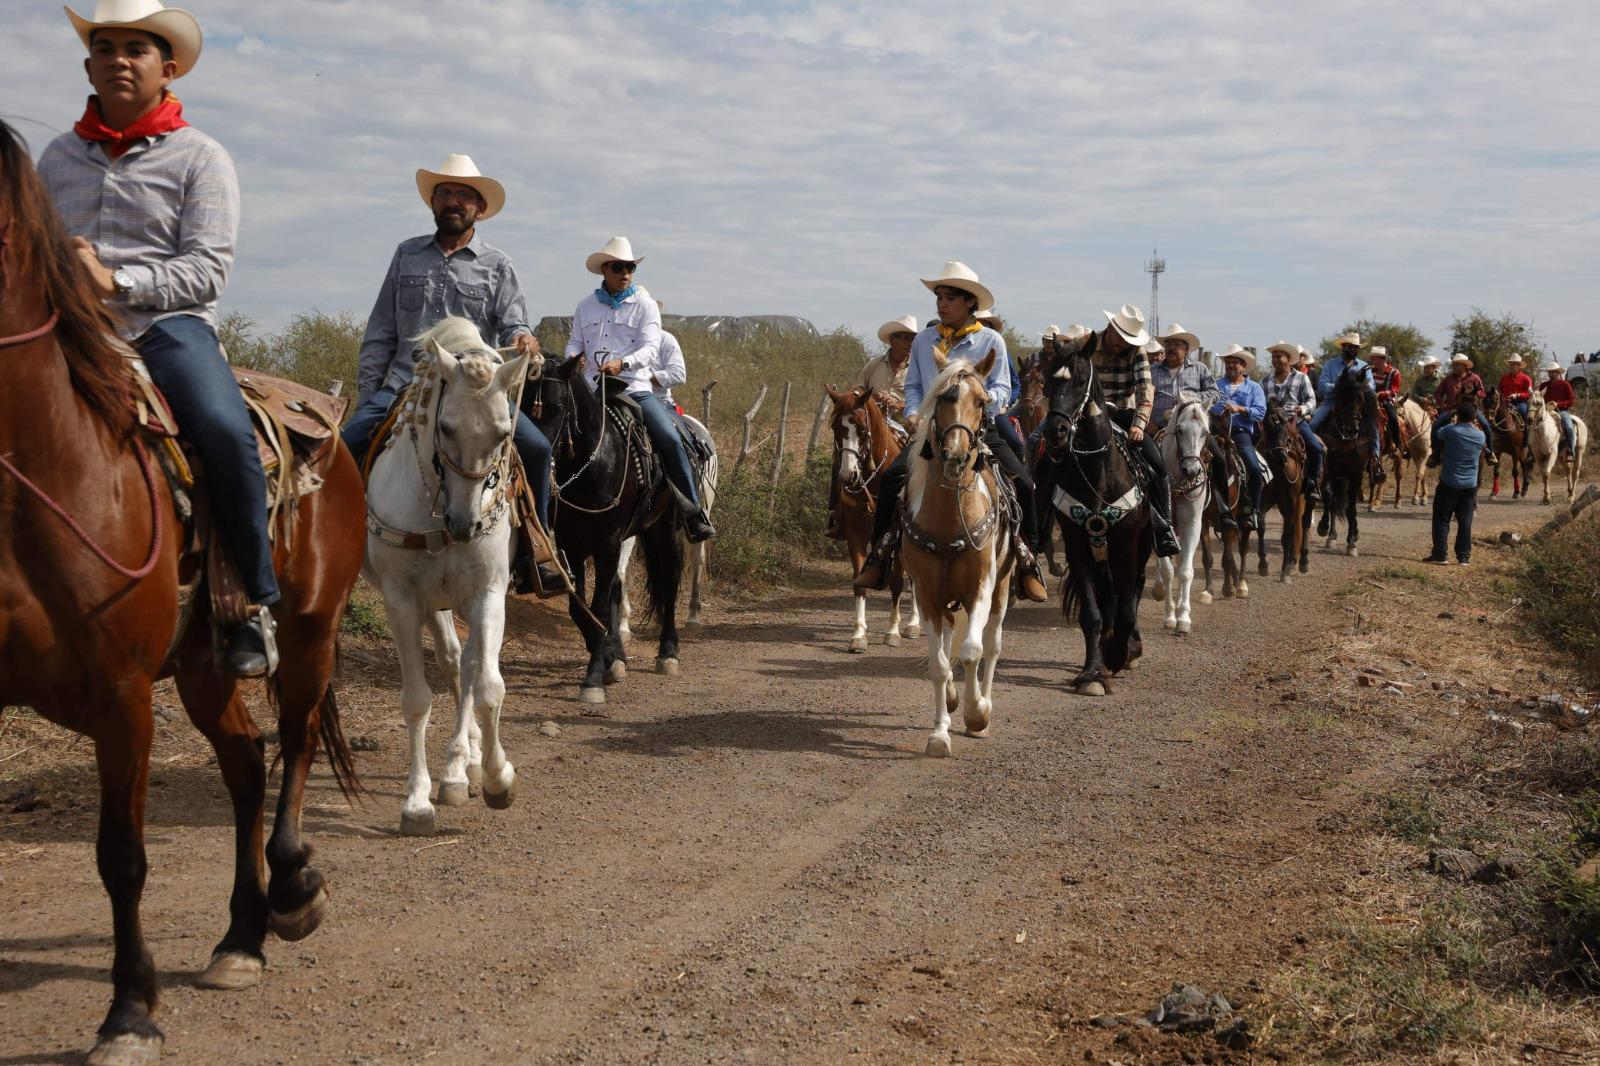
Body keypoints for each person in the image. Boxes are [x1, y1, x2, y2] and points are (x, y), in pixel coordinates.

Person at [39, 0, 277, 676]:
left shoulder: (201, 156)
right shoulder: (54, 158)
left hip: (165, 329)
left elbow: (207, 269)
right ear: (88, 63)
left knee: (225, 431)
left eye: (134, 49)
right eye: (106, 47)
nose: (118, 59)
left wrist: (114, 282)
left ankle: (254, 603)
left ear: (166, 68)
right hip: (71, 329)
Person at [342, 153, 563, 594]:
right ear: (434, 203)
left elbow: (514, 322)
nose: (454, 201)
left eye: (464, 195)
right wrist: (370, 392)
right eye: (446, 193)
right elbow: (381, 330)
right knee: (347, 445)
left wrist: (524, 339)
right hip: (407, 382)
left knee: (536, 449)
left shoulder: (498, 265)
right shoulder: (406, 254)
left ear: (479, 210)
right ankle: (342, 550)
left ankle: (537, 549)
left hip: (474, 391)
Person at [854, 261, 1049, 600]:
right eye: (939, 298)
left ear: (969, 302)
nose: (942, 304)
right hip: (930, 431)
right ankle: (880, 555)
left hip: (977, 428)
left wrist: (979, 404)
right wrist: (913, 412)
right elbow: (914, 386)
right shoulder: (925, 340)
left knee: (1025, 484)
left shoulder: (990, 341)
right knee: (891, 481)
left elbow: (1002, 388)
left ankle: (1027, 559)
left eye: (950, 298)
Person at [566, 236, 715, 542]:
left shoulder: (645, 306)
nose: (626, 273)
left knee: (670, 438)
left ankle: (692, 512)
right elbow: (575, 342)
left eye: (630, 267)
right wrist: (573, 359)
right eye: (619, 267)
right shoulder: (585, 306)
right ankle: (549, 516)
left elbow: (649, 348)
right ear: (604, 270)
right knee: (554, 433)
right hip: (590, 390)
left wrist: (624, 363)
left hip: (633, 388)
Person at [1088, 304, 1181, 557]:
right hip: (1086, 415)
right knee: (1048, 454)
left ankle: (1163, 528)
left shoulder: (1136, 351)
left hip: (1121, 414)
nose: (1122, 344)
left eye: (1127, 339)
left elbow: (1145, 389)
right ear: (1110, 328)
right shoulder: (1087, 344)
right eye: (1120, 337)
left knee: (1158, 467)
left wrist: (1139, 424)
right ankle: (1038, 530)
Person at [1309, 332, 1384, 483]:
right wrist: (1340, 387)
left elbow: (1370, 386)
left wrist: (1354, 389)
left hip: (1356, 405)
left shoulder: (1364, 366)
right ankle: (1309, 461)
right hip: (1333, 402)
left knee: (1374, 428)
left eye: (1356, 347)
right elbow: (1322, 386)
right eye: (1350, 347)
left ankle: (1375, 464)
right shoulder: (1330, 365)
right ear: (1343, 347)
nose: (1353, 350)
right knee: (1313, 424)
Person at [1211, 346, 1268, 531]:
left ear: (1244, 367)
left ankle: (1253, 510)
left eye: (1235, 362)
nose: (1230, 366)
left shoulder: (1254, 388)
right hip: (1216, 431)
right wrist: (1219, 411)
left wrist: (1240, 409)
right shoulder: (1215, 384)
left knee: (1254, 468)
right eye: (1228, 362)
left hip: (1240, 433)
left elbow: (1260, 412)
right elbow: (1207, 405)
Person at [1424, 402, 1485, 566]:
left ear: (1458, 415)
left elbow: (1437, 432)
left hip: (1449, 483)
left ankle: (1440, 554)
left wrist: (1447, 414)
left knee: (1441, 517)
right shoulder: (1481, 436)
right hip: (1470, 486)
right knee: (1465, 521)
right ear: (1474, 417)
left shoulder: (1450, 431)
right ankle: (1463, 557)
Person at [1264, 341, 1323, 503]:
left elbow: (1312, 400)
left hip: (1294, 422)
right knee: (1254, 448)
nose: (1275, 359)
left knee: (1316, 448)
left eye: (1279, 356)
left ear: (1288, 359)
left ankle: (1312, 482)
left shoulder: (1301, 378)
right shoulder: (1266, 380)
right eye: (1273, 356)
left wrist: (1302, 409)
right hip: (1272, 426)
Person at [1149, 322, 1218, 430]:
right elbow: (1139, 397)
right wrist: (1148, 422)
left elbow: (1214, 394)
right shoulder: (1151, 371)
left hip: (1191, 430)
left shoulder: (1199, 369)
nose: (1171, 348)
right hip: (1155, 429)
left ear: (1186, 350)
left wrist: (1190, 399)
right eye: (1168, 344)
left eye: (1176, 344)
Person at [1429, 353, 1495, 466]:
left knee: (1485, 425)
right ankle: (1435, 454)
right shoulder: (1448, 379)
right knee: (1436, 425)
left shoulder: (1474, 378)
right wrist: (1441, 404)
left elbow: (1482, 393)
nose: (1454, 367)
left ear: (1465, 366)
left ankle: (1489, 452)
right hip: (1451, 408)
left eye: (1457, 365)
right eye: (1454, 365)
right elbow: (1438, 393)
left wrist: (1468, 390)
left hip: (1470, 409)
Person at [857, 314, 915, 420]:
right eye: (906, 338)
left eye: (913, 339)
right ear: (892, 339)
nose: (910, 343)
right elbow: (857, 393)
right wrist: (872, 399)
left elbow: (923, 402)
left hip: (906, 428)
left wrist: (897, 404)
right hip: (873, 424)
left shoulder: (917, 369)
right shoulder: (873, 365)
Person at [1539, 360, 1579, 460]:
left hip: (1561, 411)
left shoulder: (1565, 385)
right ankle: (1532, 452)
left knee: (1569, 427)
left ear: (1558, 373)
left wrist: (1558, 404)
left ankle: (1570, 450)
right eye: (1550, 372)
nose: (1551, 374)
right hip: (1546, 411)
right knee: (1532, 425)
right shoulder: (1543, 386)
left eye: (1553, 372)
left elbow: (1571, 400)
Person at [1369, 346, 1404, 451]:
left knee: (1393, 418)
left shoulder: (1394, 372)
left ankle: (1396, 443)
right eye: (1372, 358)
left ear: (1382, 359)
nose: (1372, 360)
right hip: (1371, 400)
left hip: (1387, 400)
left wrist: (1382, 393)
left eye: (1374, 358)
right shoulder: (1370, 371)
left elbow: (1395, 390)